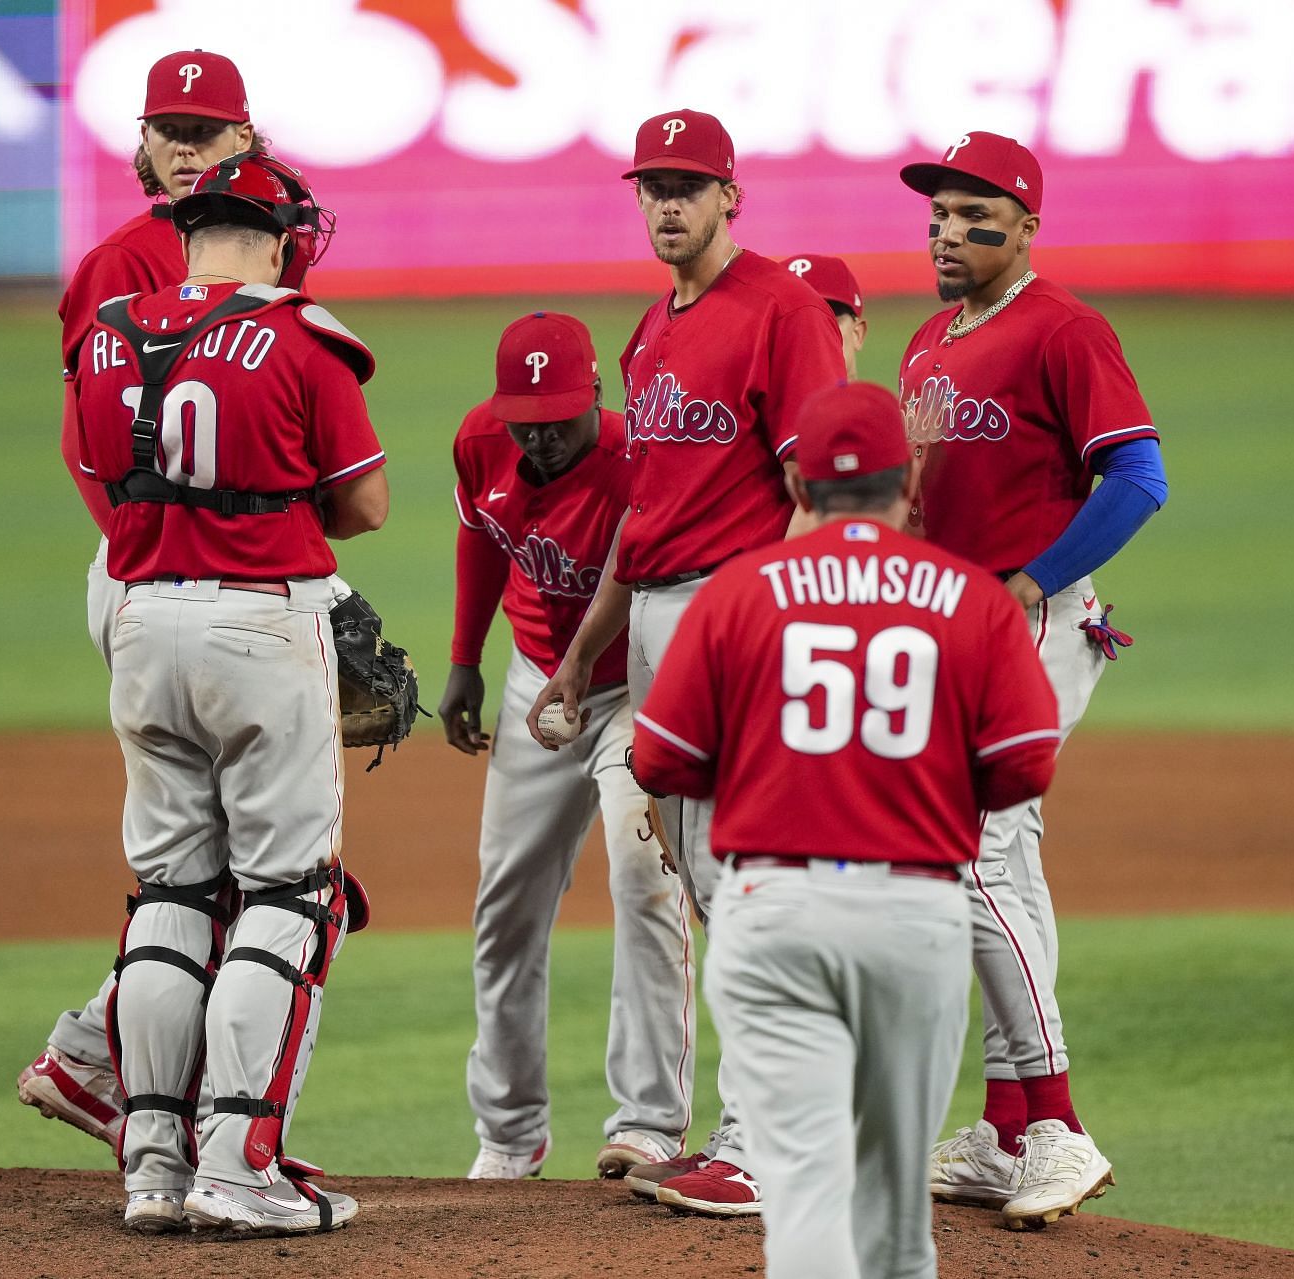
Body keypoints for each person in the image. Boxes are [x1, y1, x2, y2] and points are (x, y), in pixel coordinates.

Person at [630, 380, 1062, 1279]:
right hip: (915, 913)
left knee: (804, 1187)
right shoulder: (971, 598)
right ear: (911, 482)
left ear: (797, 488)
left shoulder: (740, 591)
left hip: (773, 908)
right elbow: (1025, 766)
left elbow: (663, 758)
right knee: (896, 1202)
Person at [527, 108, 848, 1218]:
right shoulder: (652, 330)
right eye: (651, 186)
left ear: (730, 197)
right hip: (656, 621)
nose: (666, 204)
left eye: (687, 186)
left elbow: (819, 492)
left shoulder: (781, 311)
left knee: (742, 870)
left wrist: (764, 621)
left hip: (732, 611)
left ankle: (765, 1139)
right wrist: (578, 659)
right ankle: (741, 1129)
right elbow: (644, 519)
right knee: (691, 868)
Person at [18, 48, 331, 1157]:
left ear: (246, 137)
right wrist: (168, 552)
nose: (188, 143)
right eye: (171, 127)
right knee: (266, 872)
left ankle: (121, 1084)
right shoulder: (122, 262)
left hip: (220, 573)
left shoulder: (261, 230)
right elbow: (88, 448)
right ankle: (154, 1093)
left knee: (223, 863)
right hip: (168, 569)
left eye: (208, 127)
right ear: (143, 143)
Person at [70, 150, 388, 1235]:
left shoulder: (109, 330)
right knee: (286, 891)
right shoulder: (302, 333)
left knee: (169, 891)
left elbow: (98, 476)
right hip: (258, 621)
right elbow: (364, 507)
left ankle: (151, 1167)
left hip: (140, 619)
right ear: (276, 232)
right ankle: (240, 1164)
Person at [896, 130, 1168, 1229]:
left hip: (1037, 624)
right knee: (1005, 861)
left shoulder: (1063, 328)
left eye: (977, 216)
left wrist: (1031, 579)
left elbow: (1140, 477)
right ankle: (1009, 1129)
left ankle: (1057, 1125)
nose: (950, 233)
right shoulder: (925, 343)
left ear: (1027, 226)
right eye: (939, 215)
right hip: (955, 629)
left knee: (971, 855)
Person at [440, 311, 696, 1182]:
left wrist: (582, 667)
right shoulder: (480, 442)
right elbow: (479, 540)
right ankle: (509, 1134)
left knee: (644, 877)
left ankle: (649, 1122)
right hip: (533, 683)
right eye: (525, 416)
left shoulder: (639, 459)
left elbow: (631, 575)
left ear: (595, 393)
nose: (540, 435)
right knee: (504, 905)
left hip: (635, 688)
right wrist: (463, 661)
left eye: (558, 414)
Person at [779, 253, 867, 377]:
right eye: (790, 322)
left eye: (827, 319)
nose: (808, 334)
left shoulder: (878, 397)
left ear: (857, 334)